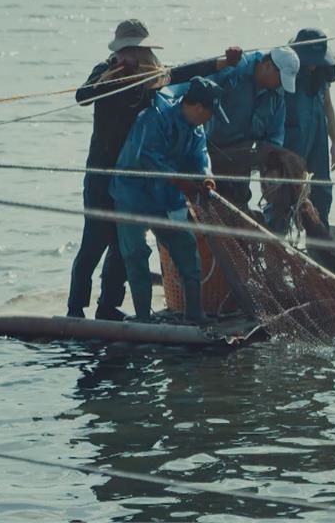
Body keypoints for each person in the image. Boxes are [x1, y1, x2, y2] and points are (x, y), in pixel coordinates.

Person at [67, 18, 241, 320]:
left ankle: (108, 306)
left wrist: (224, 61)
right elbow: (82, 96)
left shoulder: (152, 76)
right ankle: (75, 306)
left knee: (122, 248)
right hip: (102, 174)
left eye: (137, 50)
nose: (131, 56)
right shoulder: (103, 71)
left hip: (132, 178)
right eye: (126, 51)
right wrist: (114, 74)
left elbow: (186, 72)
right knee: (94, 241)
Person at [110, 77, 223, 323]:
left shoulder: (197, 128)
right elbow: (148, 157)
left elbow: (201, 155)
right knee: (136, 254)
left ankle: (194, 313)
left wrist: (206, 178)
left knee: (186, 247)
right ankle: (142, 317)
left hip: (166, 198)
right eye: (210, 112)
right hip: (132, 195)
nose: (210, 118)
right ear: (197, 108)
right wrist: (180, 181)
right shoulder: (153, 118)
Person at [205, 46, 300, 209]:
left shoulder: (276, 96)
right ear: (268, 65)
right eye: (280, 79)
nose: (280, 86)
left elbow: (274, 137)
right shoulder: (233, 71)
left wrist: (272, 173)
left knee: (238, 207)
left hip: (241, 162)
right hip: (209, 153)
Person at [282, 28, 335, 229]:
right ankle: (279, 243)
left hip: (318, 135)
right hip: (292, 137)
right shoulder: (287, 70)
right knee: (286, 191)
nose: (314, 65)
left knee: (321, 190)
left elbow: (328, 106)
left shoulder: (323, 74)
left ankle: (320, 243)